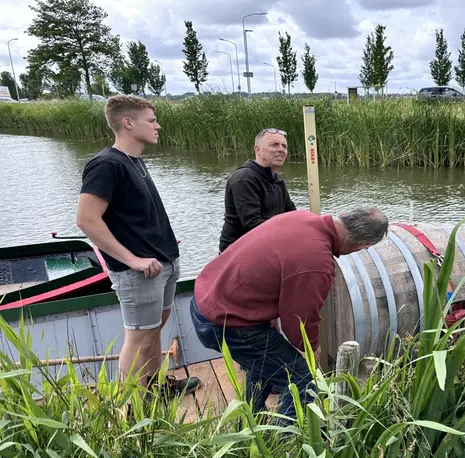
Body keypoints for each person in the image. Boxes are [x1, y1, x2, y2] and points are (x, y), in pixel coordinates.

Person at [190, 207, 389, 417]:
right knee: (302, 380)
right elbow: (299, 323)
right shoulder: (317, 261)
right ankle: (285, 444)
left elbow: (271, 270)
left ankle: (251, 423)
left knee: (266, 361)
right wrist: (312, 347)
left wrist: (272, 318)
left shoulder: (301, 217)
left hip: (206, 299)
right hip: (225, 321)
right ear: (362, 246)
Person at [76, 95, 200, 397]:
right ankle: (129, 408)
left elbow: (133, 215)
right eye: (151, 120)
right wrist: (132, 259)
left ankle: (154, 388)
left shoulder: (134, 162)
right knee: (138, 336)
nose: (157, 126)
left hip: (163, 261)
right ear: (127, 123)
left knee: (154, 328)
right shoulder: (107, 164)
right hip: (139, 271)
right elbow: (86, 220)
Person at [218, 128, 296, 252]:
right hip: (237, 253)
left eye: (284, 146)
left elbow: (291, 214)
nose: (281, 149)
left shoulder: (276, 179)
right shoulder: (244, 179)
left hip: (264, 248)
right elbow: (252, 223)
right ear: (257, 150)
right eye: (274, 145)